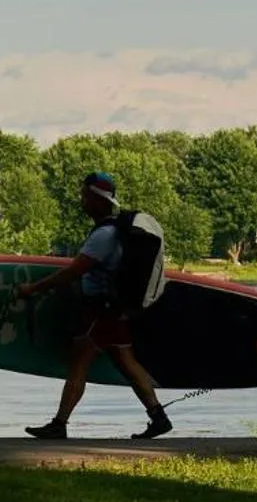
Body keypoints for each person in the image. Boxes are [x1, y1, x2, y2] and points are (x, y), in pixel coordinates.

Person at [15, 171, 172, 441]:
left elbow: (74, 272)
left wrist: (33, 289)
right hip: (114, 310)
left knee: (79, 363)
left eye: (85, 196)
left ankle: (59, 423)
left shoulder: (105, 235)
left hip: (101, 311)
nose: (82, 201)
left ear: (99, 200)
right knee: (126, 362)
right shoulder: (114, 231)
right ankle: (158, 417)